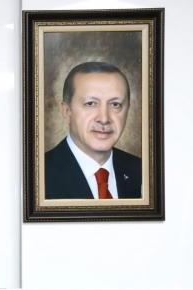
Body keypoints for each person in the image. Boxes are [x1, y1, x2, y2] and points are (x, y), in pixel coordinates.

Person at [45, 61, 141, 199]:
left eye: (115, 104)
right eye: (90, 103)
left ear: (127, 111)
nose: (104, 118)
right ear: (67, 112)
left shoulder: (143, 171)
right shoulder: (38, 175)